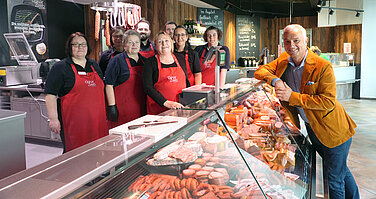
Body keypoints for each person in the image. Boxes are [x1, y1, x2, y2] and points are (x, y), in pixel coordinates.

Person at [254, 24, 359, 199]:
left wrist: (292, 96)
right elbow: (260, 71)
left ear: (306, 41)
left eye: (296, 41)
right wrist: (275, 81)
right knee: (339, 170)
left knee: (334, 179)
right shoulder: (283, 61)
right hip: (313, 129)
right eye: (287, 42)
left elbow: (327, 101)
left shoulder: (322, 65)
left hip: (334, 130)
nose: (291, 46)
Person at [45, 32, 108, 153]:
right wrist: (53, 119)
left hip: (97, 120)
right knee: (76, 155)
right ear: (70, 47)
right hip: (75, 123)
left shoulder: (94, 65)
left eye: (83, 44)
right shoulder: (61, 67)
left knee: (99, 150)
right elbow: (50, 95)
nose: (80, 48)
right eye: (76, 44)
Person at [105, 30, 146, 128]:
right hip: (123, 109)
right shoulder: (117, 60)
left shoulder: (145, 61)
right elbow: (109, 85)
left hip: (143, 107)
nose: (134, 45)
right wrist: (112, 106)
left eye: (136, 42)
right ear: (124, 45)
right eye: (130, 42)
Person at [143, 32, 185, 115]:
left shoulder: (180, 58)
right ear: (155, 45)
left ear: (171, 43)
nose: (164, 44)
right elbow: (148, 87)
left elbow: (186, 81)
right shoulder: (150, 62)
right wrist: (165, 102)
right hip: (159, 109)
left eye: (166, 40)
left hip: (180, 107)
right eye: (160, 42)